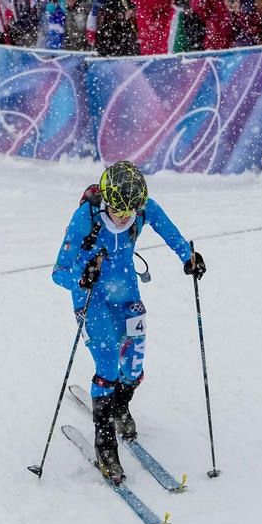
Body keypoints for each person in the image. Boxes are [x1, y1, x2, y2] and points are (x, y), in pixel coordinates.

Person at [51, 161, 205, 484]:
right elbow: (59, 272)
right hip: (92, 299)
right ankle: (105, 442)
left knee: (133, 367)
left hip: (126, 294)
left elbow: (169, 231)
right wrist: (81, 277)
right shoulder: (86, 218)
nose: (124, 218)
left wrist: (188, 257)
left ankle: (120, 407)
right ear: (107, 201)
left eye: (130, 212)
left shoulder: (142, 208)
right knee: (108, 364)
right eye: (119, 211)